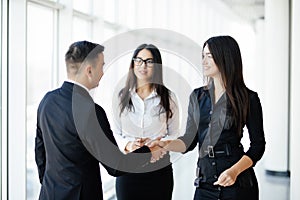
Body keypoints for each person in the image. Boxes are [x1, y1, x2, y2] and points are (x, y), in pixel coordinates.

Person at [34, 41, 166, 200]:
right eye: (101, 66)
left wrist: (52, 185)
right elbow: (115, 166)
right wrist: (149, 151)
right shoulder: (91, 111)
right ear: (89, 70)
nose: (103, 73)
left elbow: (40, 153)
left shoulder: (47, 101)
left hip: (49, 194)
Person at [149, 36, 266, 200]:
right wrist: (165, 144)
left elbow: (258, 146)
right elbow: (189, 141)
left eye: (209, 56)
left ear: (225, 57)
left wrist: (234, 171)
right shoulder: (197, 97)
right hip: (205, 183)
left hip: (237, 184)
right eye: (203, 56)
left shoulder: (248, 98)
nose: (204, 61)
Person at [112, 44, 179, 200]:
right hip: (128, 169)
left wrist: (156, 145)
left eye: (149, 61)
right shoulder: (121, 96)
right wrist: (129, 145)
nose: (143, 66)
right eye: (139, 60)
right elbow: (115, 132)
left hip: (159, 170)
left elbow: (174, 133)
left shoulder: (168, 97)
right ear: (133, 64)